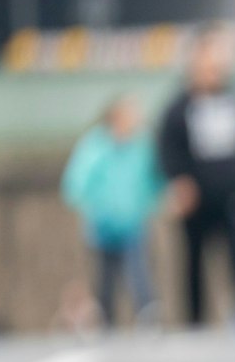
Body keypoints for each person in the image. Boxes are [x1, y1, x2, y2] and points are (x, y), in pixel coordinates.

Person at [157, 27, 235, 325]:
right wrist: (178, 181)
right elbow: (167, 149)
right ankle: (195, 320)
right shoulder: (179, 108)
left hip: (233, 194)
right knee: (194, 260)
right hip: (197, 198)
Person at [60, 95, 163, 329]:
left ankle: (147, 313)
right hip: (102, 225)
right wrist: (92, 207)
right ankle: (107, 318)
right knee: (105, 277)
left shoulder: (141, 146)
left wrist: (158, 200)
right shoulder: (95, 146)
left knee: (139, 271)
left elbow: (152, 180)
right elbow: (76, 183)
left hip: (132, 222)